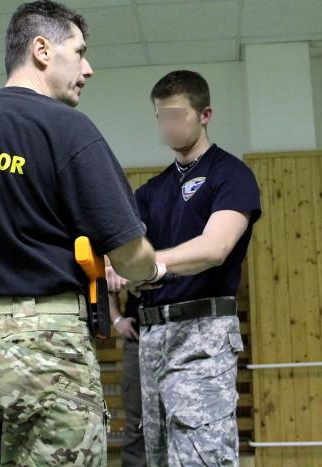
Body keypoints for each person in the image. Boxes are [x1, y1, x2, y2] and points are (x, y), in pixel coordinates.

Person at [0, 1, 167, 465]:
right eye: (79, 52)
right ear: (41, 50)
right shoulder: (66, 127)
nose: (88, 69)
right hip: (40, 345)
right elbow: (129, 253)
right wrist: (150, 270)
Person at [107, 70, 262, 466]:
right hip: (152, 338)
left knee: (200, 456)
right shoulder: (151, 191)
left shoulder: (231, 175)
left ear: (205, 115)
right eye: (162, 116)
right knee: (155, 455)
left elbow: (215, 248)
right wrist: (117, 266)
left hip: (202, 336)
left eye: (177, 115)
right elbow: (122, 250)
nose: (168, 125)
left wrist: (151, 266)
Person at [107, 292, 146, 466]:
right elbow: (106, 283)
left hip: (182, 335)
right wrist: (117, 320)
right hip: (138, 338)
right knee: (137, 421)